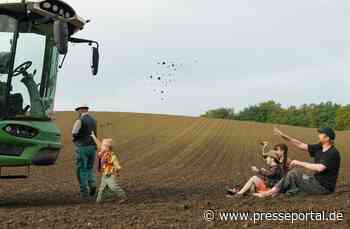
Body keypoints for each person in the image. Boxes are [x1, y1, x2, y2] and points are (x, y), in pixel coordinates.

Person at [254, 127, 341, 198]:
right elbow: (300, 145)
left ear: (327, 138)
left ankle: (268, 193)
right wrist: (283, 136)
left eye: (321, 134)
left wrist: (299, 162)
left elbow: (320, 168)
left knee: (294, 174)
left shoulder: (332, 153)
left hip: (323, 187)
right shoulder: (319, 147)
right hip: (314, 181)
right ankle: (275, 191)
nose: (318, 135)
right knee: (294, 175)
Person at [91, 131, 127, 203]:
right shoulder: (103, 153)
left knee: (114, 187)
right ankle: (98, 201)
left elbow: (116, 163)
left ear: (108, 147)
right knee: (102, 189)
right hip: (104, 175)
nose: (102, 147)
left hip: (110, 175)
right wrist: (93, 137)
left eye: (104, 146)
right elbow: (99, 144)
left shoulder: (112, 156)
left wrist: (118, 168)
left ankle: (123, 197)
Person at [72, 104, 97, 199]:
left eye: (78, 110)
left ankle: (84, 192)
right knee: (90, 168)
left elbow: (74, 133)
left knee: (81, 169)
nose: (78, 112)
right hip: (92, 147)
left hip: (82, 147)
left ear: (81, 110)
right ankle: (92, 185)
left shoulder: (80, 120)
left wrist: (76, 140)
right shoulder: (94, 120)